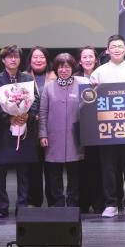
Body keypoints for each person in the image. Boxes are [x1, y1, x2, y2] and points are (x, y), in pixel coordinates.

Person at [90, 34, 125, 218]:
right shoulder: (99, 72)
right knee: (108, 168)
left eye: (120, 46)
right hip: (106, 128)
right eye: (113, 46)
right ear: (107, 50)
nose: (117, 49)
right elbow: (90, 100)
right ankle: (111, 203)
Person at [0, 45, 40, 218]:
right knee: (0, 171)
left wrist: (27, 115)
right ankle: (2, 206)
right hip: (3, 132)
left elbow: (35, 100)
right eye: (9, 57)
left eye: (16, 57)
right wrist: (9, 118)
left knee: (24, 170)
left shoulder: (28, 78)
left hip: (24, 131)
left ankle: (22, 205)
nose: (13, 59)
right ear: (3, 60)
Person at [38, 53, 88, 207]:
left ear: (73, 68)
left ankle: (73, 204)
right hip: (54, 137)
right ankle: (57, 204)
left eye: (67, 67)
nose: (64, 70)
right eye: (60, 67)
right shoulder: (49, 87)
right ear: (56, 68)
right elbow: (43, 113)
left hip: (75, 138)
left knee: (75, 173)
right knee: (54, 174)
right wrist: (42, 134)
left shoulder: (82, 84)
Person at [24, 46, 56, 207]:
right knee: (33, 168)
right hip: (30, 129)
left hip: (52, 129)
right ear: (30, 60)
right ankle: (34, 202)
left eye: (41, 57)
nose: (38, 60)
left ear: (47, 59)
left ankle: (54, 201)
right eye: (35, 57)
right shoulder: (23, 77)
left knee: (52, 167)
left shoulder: (56, 76)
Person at [74, 46, 105, 214]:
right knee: (82, 167)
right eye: (84, 57)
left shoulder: (103, 76)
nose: (87, 60)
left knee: (99, 166)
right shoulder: (74, 79)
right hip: (80, 128)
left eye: (90, 56)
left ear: (96, 59)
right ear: (80, 61)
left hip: (101, 128)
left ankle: (99, 202)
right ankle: (83, 202)